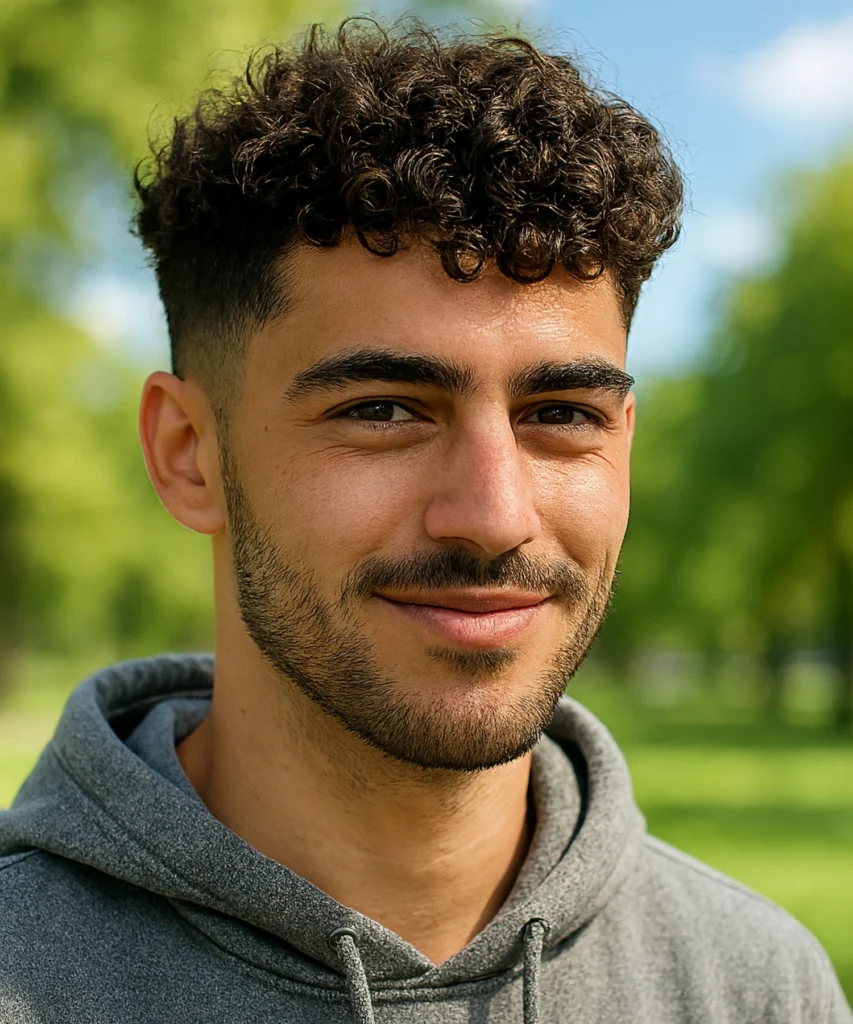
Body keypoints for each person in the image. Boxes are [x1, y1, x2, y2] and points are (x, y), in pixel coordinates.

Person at [0, 19, 849, 1024]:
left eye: (558, 415)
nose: (493, 516)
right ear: (188, 453)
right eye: (383, 409)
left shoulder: (755, 987)